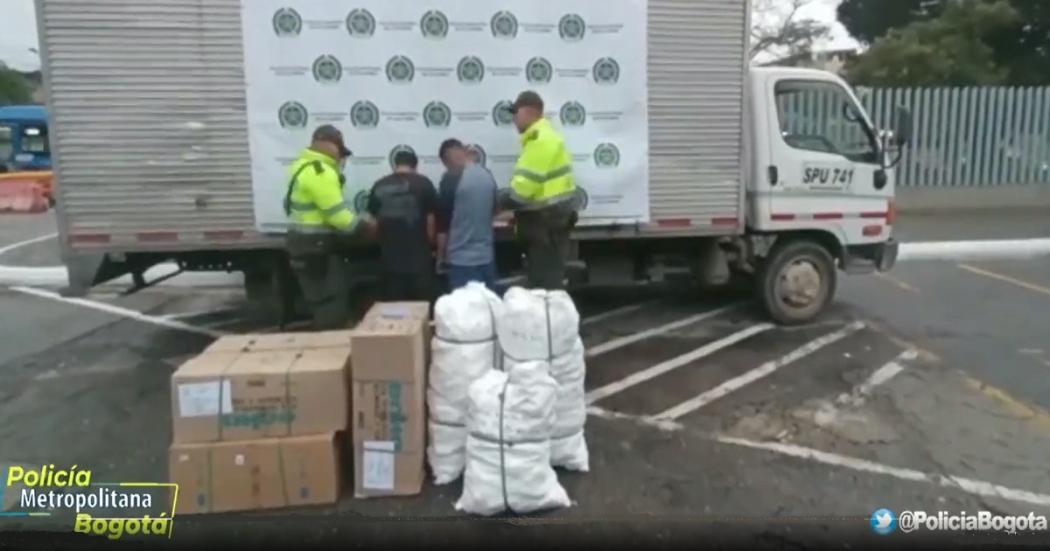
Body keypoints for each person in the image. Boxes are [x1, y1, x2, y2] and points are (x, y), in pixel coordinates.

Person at [283, 124, 374, 330]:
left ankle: (325, 338)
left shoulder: (301, 164)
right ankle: (331, 347)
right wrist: (364, 228)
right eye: (340, 152)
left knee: (318, 299)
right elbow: (338, 217)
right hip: (317, 247)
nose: (341, 158)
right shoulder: (321, 172)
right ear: (329, 145)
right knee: (331, 301)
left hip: (302, 244)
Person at [500, 90, 579, 290]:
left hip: (546, 227)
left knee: (545, 288)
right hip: (551, 225)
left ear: (528, 112)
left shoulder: (540, 141)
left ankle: (550, 321)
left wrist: (497, 200)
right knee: (548, 284)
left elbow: (522, 192)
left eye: (515, 113)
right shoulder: (544, 138)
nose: (514, 119)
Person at [367, 149, 439, 302]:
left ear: (395, 164)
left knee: (394, 307)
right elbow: (430, 220)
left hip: (390, 258)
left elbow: (373, 223)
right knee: (423, 306)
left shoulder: (379, 185)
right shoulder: (424, 184)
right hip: (419, 257)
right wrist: (431, 245)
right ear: (415, 165)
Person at [435, 139, 501, 292]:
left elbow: (443, 225)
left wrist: (440, 258)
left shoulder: (450, 178)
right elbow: (495, 211)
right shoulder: (487, 175)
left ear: (446, 160)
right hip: (487, 258)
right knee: (488, 309)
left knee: (465, 313)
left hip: (461, 263)